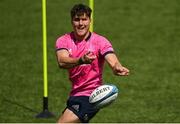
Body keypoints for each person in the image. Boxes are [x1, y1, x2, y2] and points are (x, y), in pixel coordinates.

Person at [55, 3, 129, 123]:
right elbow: (62, 61)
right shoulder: (63, 40)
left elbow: (112, 58)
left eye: (84, 19)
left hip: (91, 95)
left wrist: (116, 67)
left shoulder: (100, 41)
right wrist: (81, 60)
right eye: (77, 19)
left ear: (90, 21)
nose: (81, 23)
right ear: (71, 21)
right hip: (75, 94)